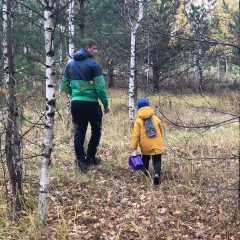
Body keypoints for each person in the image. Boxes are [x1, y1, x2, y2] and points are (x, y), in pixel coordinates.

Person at [60, 38, 110, 172]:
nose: (96, 51)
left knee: (79, 133)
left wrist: (75, 94)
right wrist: (105, 104)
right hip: (92, 105)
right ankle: (90, 157)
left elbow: (63, 85)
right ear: (87, 48)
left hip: (76, 104)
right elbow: (100, 88)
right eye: (94, 48)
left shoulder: (70, 64)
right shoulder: (94, 65)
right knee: (96, 130)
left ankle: (81, 163)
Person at [130, 98, 164, 185]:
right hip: (157, 144)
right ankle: (156, 174)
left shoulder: (138, 121)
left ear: (138, 108)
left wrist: (133, 147)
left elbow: (135, 136)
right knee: (157, 160)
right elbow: (160, 131)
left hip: (145, 146)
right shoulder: (156, 118)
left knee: (145, 158)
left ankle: (145, 172)